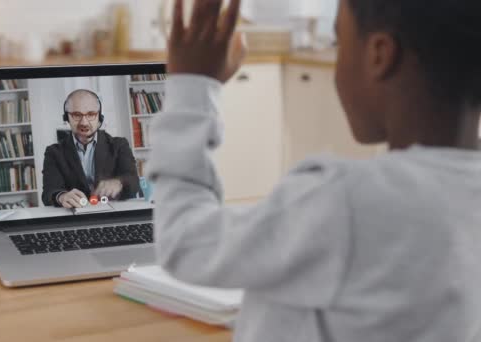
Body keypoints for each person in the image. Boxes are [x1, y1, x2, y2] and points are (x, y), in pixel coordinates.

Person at [147, 0, 481, 341]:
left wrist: (192, 87)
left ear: (380, 55)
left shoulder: (347, 200)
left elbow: (186, 244)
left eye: (338, 42)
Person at [42, 89, 140, 208]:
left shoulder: (119, 145)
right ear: (66, 117)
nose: (84, 122)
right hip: (74, 218)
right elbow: (49, 192)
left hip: (112, 215)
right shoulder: (53, 152)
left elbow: (134, 182)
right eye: (76, 115)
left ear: (100, 117)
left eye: (91, 114)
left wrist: (119, 183)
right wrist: (61, 196)